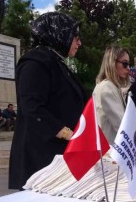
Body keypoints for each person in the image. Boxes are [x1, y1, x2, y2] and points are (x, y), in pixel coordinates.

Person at [9, 12, 87, 190]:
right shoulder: (36, 62)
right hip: (42, 159)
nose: (79, 43)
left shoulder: (55, 61)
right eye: (75, 37)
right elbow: (32, 107)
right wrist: (69, 134)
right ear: (59, 33)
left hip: (57, 155)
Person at [92, 45, 132, 143]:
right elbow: (123, 126)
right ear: (112, 63)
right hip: (110, 150)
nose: (129, 68)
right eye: (125, 64)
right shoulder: (107, 88)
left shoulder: (110, 86)